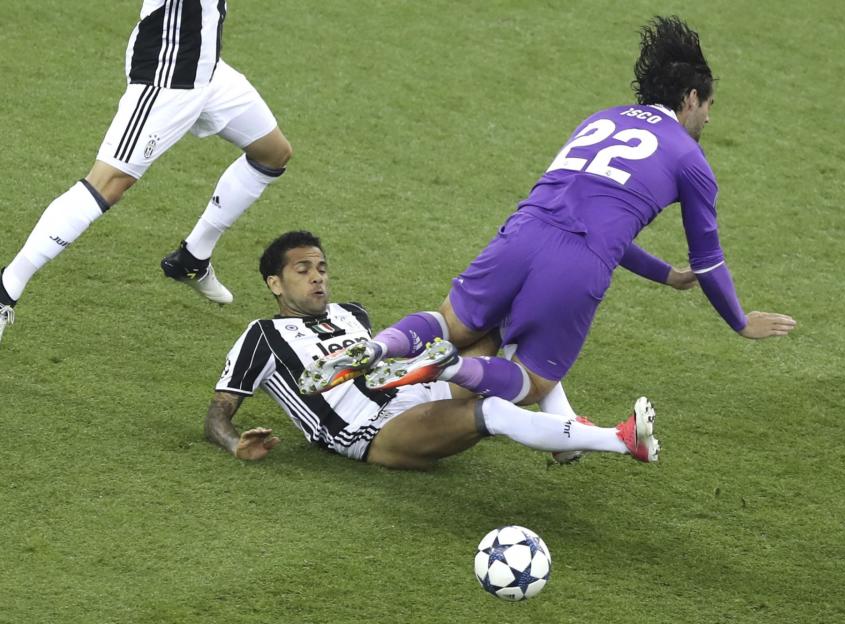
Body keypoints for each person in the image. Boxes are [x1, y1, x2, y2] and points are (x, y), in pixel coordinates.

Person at [303, 15, 796, 406]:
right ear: (691, 98)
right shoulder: (691, 160)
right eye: (709, 104)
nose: (709, 116)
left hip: (522, 231)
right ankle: (448, 367)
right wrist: (739, 321)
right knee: (534, 381)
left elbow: (595, 210)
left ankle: (381, 346)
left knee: (451, 320)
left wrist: (664, 274)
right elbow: (708, 260)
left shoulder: (600, 118)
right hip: (577, 262)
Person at [204, 231, 660, 469]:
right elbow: (217, 414)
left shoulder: (351, 313)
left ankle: (563, 428)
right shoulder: (261, 335)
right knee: (494, 412)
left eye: (321, 267)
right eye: (303, 270)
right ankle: (618, 441)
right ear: (274, 284)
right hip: (370, 432)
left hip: (413, 391)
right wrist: (232, 443)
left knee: (510, 316)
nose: (318, 277)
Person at [0, 1, 292, 345]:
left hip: (207, 69)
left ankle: (192, 257)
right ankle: (6, 290)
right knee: (108, 183)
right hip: (166, 76)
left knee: (273, 153)